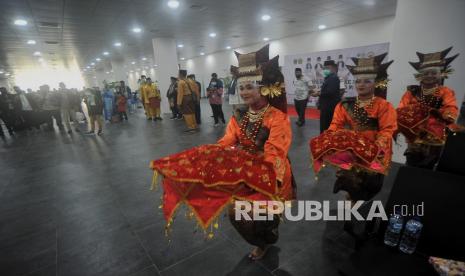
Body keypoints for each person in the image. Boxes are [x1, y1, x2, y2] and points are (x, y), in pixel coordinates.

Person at [149, 44, 294, 261]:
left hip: (269, 172)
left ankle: (267, 235)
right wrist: (207, 154)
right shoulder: (239, 116)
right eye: (241, 87)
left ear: (264, 87)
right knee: (236, 214)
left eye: (249, 87)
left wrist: (253, 171)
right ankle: (261, 241)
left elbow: (275, 153)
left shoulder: (277, 117)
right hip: (244, 172)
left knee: (262, 217)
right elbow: (227, 141)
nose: (244, 92)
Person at [310, 53, 396, 204]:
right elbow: (334, 126)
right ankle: (352, 207)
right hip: (351, 153)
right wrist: (330, 141)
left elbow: (387, 131)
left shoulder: (383, 106)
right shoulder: (345, 105)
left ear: (376, 83)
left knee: (369, 188)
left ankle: (365, 211)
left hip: (373, 154)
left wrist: (374, 151)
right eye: (358, 81)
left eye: (367, 81)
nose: (361, 85)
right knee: (352, 186)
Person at [396, 47, 459, 169]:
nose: (430, 75)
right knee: (411, 162)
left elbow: (451, 108)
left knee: (429, 165)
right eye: (426, 73)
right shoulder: (411, 92)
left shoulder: (445, 92)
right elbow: (401, 109)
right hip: (414, 134)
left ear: (441, 74)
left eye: (434, 73)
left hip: (435, 136)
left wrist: (444, 115)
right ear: (420, 75)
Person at [312, 59, 341, 133]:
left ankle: (325, 141)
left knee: (326, 126)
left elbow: (330, 92)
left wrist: (318, 93)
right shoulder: (329, 78)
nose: (325, 70)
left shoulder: (333, 78)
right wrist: (319, 92)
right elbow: (328, 90)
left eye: (327, 68)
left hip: (329, 108)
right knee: (325, 126)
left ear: (333, 68)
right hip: (326, 107)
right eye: (324, 68)